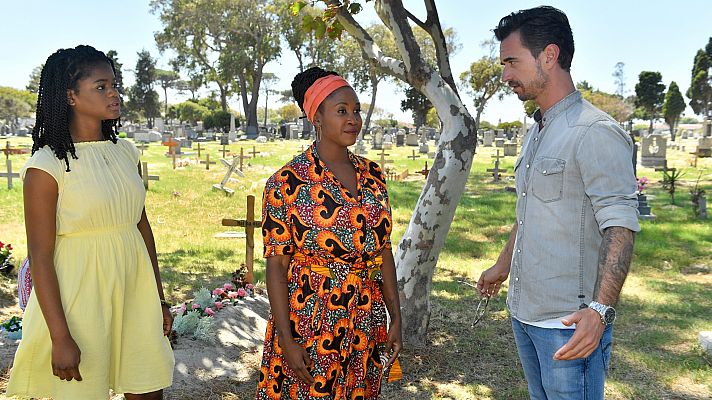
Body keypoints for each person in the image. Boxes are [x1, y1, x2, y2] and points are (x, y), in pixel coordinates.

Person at [477, 6, 640, 400]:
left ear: (549, 56)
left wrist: (599, 312)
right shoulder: (538, 132)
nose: (505, 75)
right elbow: (530, 211)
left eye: (512, 62)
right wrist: (502, 265)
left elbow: (620, 226)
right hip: (524, 313)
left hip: (569, 325)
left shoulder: (595, 132)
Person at [7, 45, 174, 399]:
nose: (114, 93)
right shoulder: (47, 166)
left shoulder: (126, 151)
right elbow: (40, 254)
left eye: (114, 84)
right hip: (79, 296)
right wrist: (60, 336)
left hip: (133, 287)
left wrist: (158, 298)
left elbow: (141, 227)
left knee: (147, 387)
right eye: (101, 86)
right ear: (70, 96)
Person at [256, 66, 402, 399]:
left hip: (365, 317)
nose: (353, 119)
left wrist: (396, 318)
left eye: (356, 111)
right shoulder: (287, 183)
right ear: (317, 118)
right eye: (341, 111)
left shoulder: (373, 175)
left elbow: (384, 252)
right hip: (311, 320)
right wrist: (287, 340)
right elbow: (277, 268)